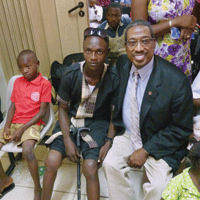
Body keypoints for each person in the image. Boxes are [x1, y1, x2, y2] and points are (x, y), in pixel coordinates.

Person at [102, 20, 193, 200]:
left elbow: (181, 129)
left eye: (145, 41)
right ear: (126, 46)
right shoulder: (122, 64)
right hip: (129, 134)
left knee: (159, 187)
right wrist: (109, 138)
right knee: (110, 164)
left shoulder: (176, 81)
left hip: (159, 140)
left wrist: (145, 150)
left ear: (154, 43)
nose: (139, 48)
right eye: (133, 42)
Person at [42, 28, 119, 200]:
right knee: (51, 161)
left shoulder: (113, 77)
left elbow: (115, 114)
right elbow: (62, 108)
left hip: (97, 123)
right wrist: (68, 140)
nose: (93, 57)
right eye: (88, 51)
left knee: (90, 166)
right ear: (83, 51)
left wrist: (108, 141)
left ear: (107, 53)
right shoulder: (70, 74)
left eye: (99, 52)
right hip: (70, 119)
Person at [0, 50, 52, 200]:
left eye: (28, 66)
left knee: (28, 150)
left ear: (37, 64)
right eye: (21, 68)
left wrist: (22, 129)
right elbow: (12, 107)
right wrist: (8, 127)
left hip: (33, 123)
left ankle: (37, 188)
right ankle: (4, 180)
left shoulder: (44, 84)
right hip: (15, 122)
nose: (25, 71)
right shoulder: (18, 82)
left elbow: (42, 113)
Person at [131, 0, 197, 81]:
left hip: (182, 62)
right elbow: (138, 33)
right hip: (155, 65)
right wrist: (175, 22)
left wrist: (190, 24)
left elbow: (191, 15)